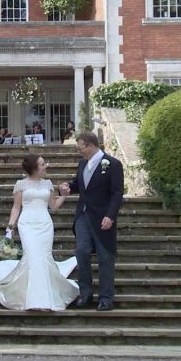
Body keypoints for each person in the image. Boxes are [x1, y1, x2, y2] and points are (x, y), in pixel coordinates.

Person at [0, 154, 79, 311]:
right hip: (27, 224)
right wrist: (10, 227)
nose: (46, 166)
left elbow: (53, 206)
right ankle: (32, 298)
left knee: (44, 257)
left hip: (45, 224)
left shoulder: (48, 184)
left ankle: (45, 297)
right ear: (34, 168)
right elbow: (16, 208)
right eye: (42, 164)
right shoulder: (21, 184)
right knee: (32, 256)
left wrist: (63, 196)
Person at [59, 132, 125, 311]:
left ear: (90, 145)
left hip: (103, 217)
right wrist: (67, 187)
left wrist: (110, 216)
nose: (78, 150)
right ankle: (85, 294)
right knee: (82, 252)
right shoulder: (83, 163)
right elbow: (79, 185)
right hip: (83, 215)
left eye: (80, 147)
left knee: (105, 257)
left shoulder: (112, 164)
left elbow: (117, 193)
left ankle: (106, 298)